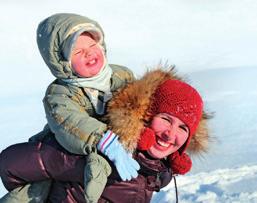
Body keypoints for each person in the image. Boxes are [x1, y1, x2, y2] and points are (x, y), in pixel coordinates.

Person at [0, 67, 211, 202]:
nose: (170, 135)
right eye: (165, 119)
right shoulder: (104, 146)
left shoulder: (159, 172)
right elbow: (10, 164)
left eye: (183, 128)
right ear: (145, 115)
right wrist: (86, 166)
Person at [0, 12, 140, 203]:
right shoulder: (58, 93)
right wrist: (105, 140)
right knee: (34, 193)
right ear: (63, 63)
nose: (89, 52)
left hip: (103, 159)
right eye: (77, 52)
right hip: (66, 146)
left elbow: (140, 105)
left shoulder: (121, 75)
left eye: (92, 45)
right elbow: (70, 122)